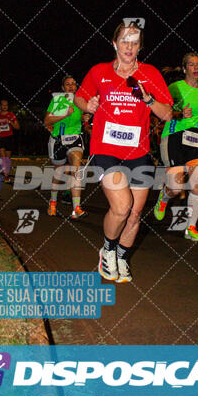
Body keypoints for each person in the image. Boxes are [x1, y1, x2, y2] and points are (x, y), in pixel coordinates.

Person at [75, 21, 173, 283]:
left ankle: (121, 256)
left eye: (135, 41)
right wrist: (90, 104)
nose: (129, 46)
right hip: (105, 149)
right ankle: (107, 250)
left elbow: (167, 113)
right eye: (125, 40)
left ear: (140, 46)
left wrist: (148, 99)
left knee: (135, 213)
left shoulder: (151, 74)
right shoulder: (99, 72)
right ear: (114, 43)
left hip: (138, 152)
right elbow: (79, 98)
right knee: (122, 207)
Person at [153, 53, 198, 240]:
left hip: (195, 136)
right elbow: (162, 112)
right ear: (184, 68)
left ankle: (191, 228)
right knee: (175, 186)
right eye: (191, 65)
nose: (196, 68)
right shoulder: (174, 88)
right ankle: (164, 197)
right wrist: (178, 112)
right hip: (173, 136)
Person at [44, 76, 88, 220]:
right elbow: (47, 121)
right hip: (58, 140)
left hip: (75, 139)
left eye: (73, 84)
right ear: (63, 88)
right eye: (67, 84)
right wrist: (65, 114)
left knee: (76, 169)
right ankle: (52, 203)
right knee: (58, 173)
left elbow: (84, 117)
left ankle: (76, 208)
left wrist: (84, 119)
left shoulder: (80, 101)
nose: (71, 86)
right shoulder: (57, 101)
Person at [0, 100, 20, 182]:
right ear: (1, 106)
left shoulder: (11, 115)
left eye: (6, 105)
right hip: (0, 138)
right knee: (3, 157)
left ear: (8, 106)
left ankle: (3, 169)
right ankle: (6, 176)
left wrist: (10, 122)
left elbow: (17, 127)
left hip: (9, 138)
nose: (5, 107)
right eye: (3, 105)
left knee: (7, 159)